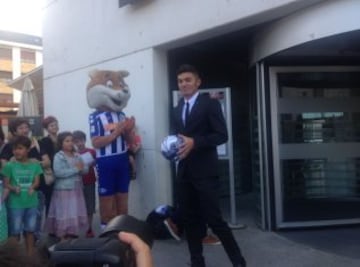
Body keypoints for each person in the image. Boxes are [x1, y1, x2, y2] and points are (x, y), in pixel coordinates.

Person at [172, 64, 246, 267]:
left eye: (188, 79)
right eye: (180, 81)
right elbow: (179, 138)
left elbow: (222, 135)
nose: (184, 84)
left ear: (198, 82)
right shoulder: (177, 109)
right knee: (190, 220)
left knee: (215, 220)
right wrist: (170, 147)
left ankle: (238, 262)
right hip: (185, 172)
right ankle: (197, 262)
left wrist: (195, 142)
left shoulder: (210, 104)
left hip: (205, 172)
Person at [0, 118, 51, 243]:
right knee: (15, 228)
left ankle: (31, 254)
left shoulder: (37, 143)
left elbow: (47, 162)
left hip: (36, 190)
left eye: (26, 127)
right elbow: (5, 165)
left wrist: (34, 163)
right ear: (14, 131)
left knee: (33, 227)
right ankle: (16, 255)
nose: (25, 130)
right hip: (16, 194)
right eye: (21, 128)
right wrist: (23, 163)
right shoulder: (9, 146)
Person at [2, 136, 42, 255]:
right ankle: (15, 257)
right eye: (14, 149)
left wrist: (33, 187)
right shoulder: (9, 166)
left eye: (20, 148)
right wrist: (14, 188)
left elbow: (37, 181)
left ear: (28, 149)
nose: (16, 151)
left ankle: (29, 256)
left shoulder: (35, 165)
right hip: (15, 205)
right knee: (15, 232)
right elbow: (6, 183)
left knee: (30, 231)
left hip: (32, 203)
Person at [45, 131, 88, 241]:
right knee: (63, 213)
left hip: (76, 188)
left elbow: (85, 169)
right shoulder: (58, 156)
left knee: (73, 211)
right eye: (67, 141)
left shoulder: (77, 155)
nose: (70, 143)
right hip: (63, 189)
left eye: (71, 141)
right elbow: (58, 173)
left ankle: (71, 234)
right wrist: (75, 169)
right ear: (61, 143)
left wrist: (82, 168)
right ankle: (61, 236)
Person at [72, 130, 97, 238]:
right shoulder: (72, 154)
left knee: (90, 206)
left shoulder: (92, 151)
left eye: (81, 140)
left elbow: (97, 164)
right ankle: (77, 228)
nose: (79, 143)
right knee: (77, 206)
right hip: (77, 183)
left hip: (90, 182)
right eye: (76, 141)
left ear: (85, 140)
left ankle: (89, 228)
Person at [39, 116, 59, 214]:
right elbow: (44, 156)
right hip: (50, 172)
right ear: (47, 128)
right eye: (51, 125)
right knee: (50, 200)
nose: (54, 127)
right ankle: (50, 225)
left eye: (56, 124)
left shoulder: (61, 139)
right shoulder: (44, 140)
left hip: (61, 171)